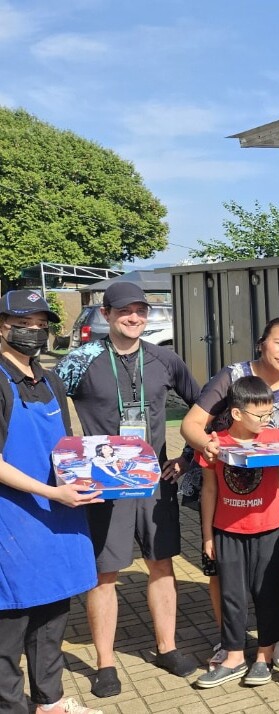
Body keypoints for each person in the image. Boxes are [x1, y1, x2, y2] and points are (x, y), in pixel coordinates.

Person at [55, 282, 202, 697]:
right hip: (105, 485)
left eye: (140, 310)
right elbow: (45, 404)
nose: (133, 317)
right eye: (124, 311)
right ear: (106, 314)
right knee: (105, 573)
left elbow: (205, 407)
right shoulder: (80, 359)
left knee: (162, 563)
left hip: (155, 482)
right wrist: (69, 461)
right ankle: (105, 663)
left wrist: (187, 457)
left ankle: (167, 647)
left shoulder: (164, 358)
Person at [178, 317, 279, 670]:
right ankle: (229, 642)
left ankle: (276, 638)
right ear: (261, 342)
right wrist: (208, 446)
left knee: (276, 570)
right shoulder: (232, 375)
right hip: (219, 481)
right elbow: (191, 424)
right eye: (278, 342)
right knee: (221, 571)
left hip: (267, 494)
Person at [0, 290, 103, 714]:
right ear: (2, 327)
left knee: (52, 614)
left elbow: (65, 446)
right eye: (24, 324)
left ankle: (50, 701)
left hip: (58, 515)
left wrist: (96, 474)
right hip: (12, 520)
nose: (34, 332)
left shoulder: (49, 379)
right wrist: (50, 492)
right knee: (11, 622)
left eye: (41, 325)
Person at [194, 376, 279, 689]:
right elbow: (209, 490)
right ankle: (234, 657)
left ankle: (264, 657)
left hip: (270, 530)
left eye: (270, 413)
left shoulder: (274, 437)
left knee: (269, 593)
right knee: (232, 595)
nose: (267, 420)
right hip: (227, 531)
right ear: (237, 413)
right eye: (260, 414)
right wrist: (208, 535)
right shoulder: (215, 443)